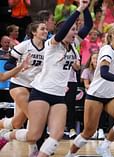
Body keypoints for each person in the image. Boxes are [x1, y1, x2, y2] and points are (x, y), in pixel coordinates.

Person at [0, 1, 92, 156]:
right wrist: (78, 10)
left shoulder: (74, 43)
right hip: (40, 92)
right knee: (33, 134)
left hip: (59, 95)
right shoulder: (52, 43)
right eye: (72, 30)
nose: (75, 33)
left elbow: (88, 25)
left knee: (55, 136)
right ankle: (5, 136)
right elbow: (62, 31)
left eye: (76, 30)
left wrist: (86, 6)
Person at [65, 23, 114, 157]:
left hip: (112, 94)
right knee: (89, 132)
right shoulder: (106, 50)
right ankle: (71, 153)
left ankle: (104, 146)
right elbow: (104, 73)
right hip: (97, 94)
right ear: (113, 35)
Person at [0, 21, 48, 156]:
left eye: (46, 29)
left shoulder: (48, 48)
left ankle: (3, 133)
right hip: (19, 84)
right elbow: (8, 66)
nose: (45, 31)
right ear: (34, 32)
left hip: (36, 87)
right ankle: (34, 149)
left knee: (16, 123)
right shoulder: (23, 46)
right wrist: (21, 67)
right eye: (42, 29)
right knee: (34, 117)